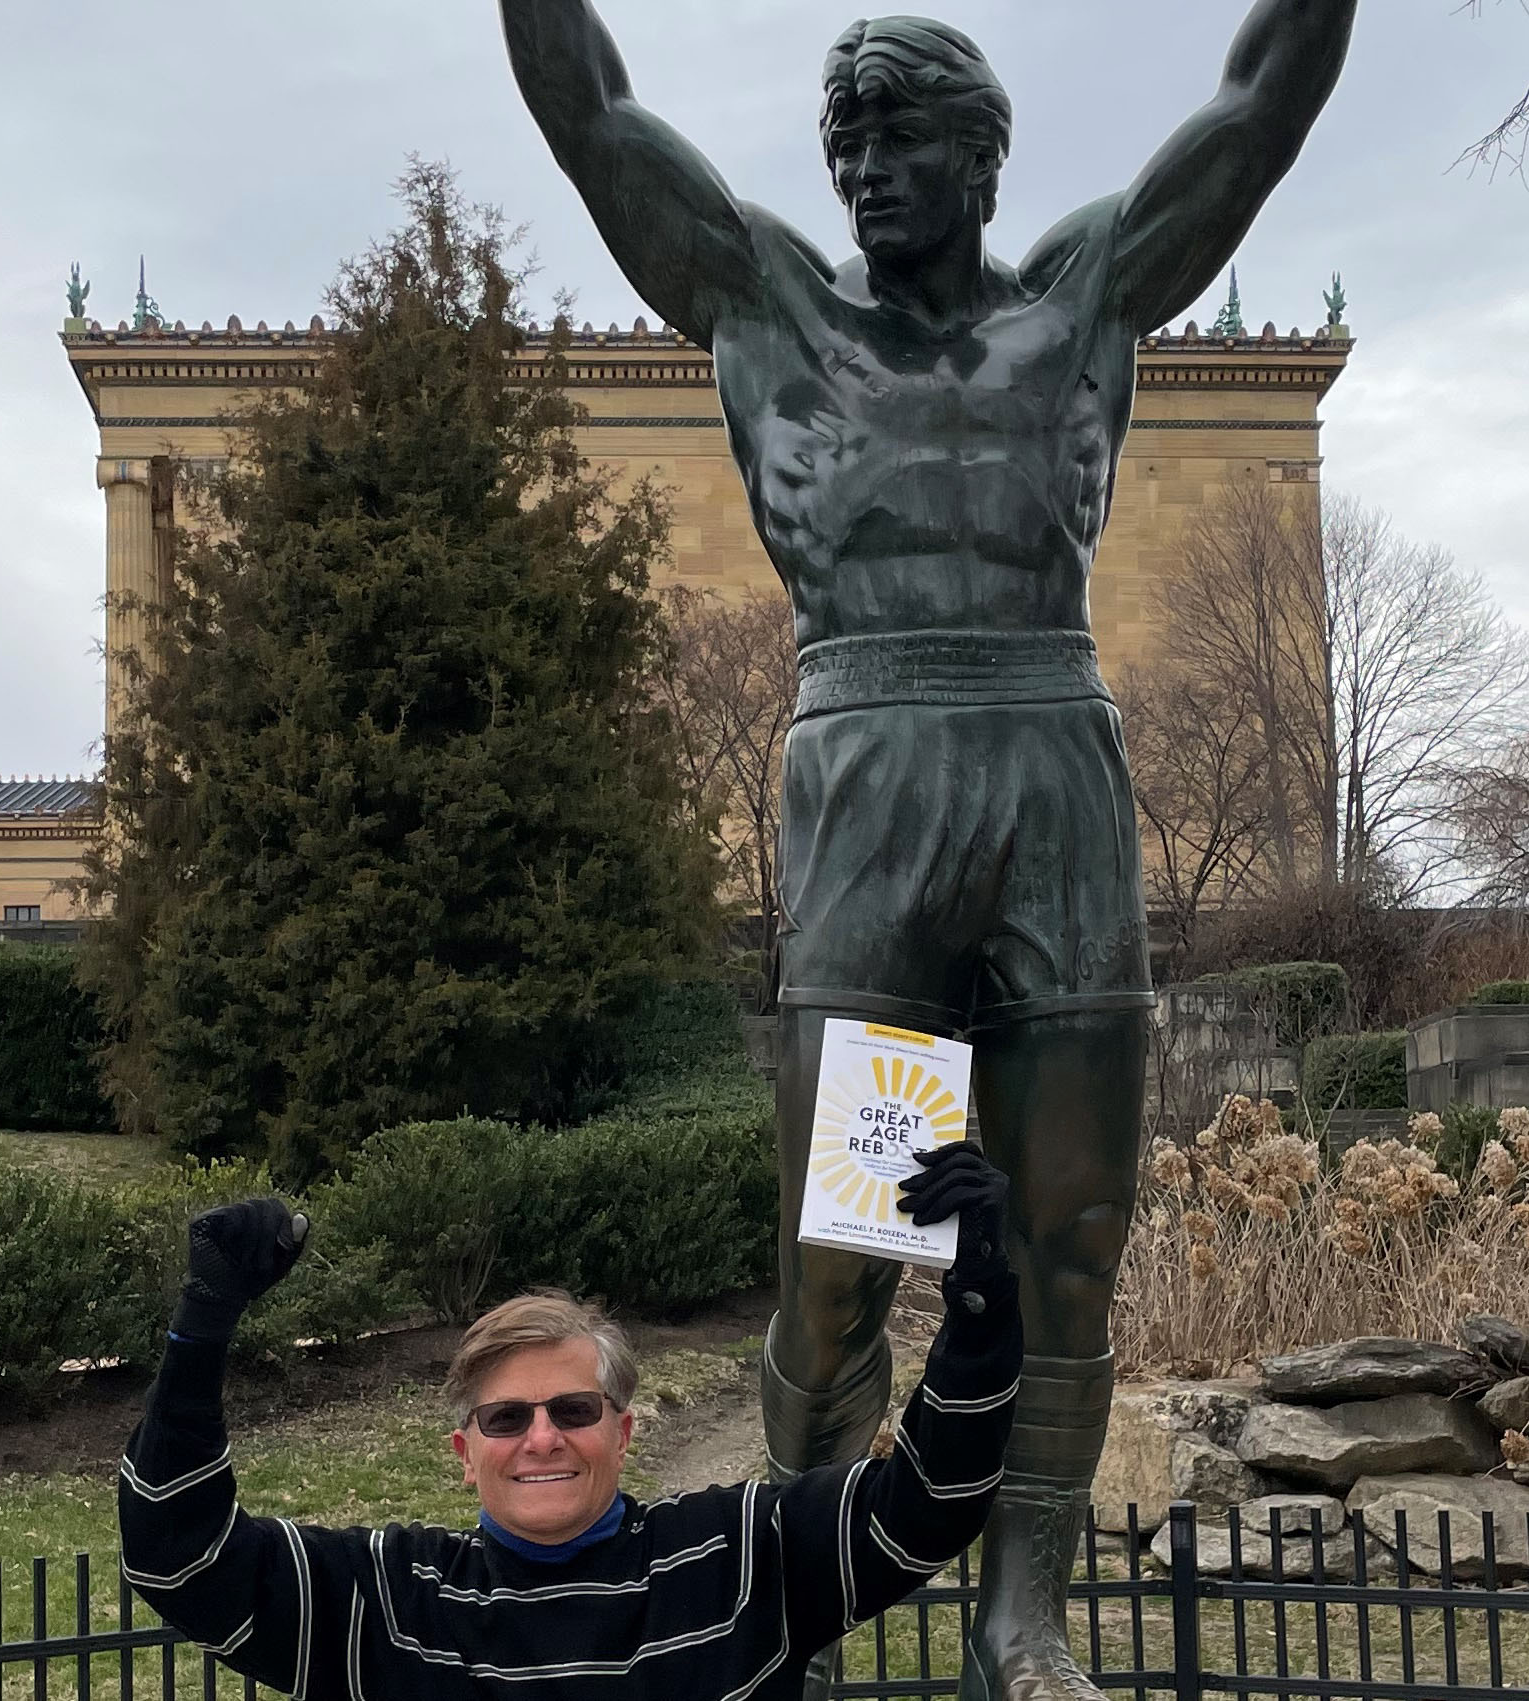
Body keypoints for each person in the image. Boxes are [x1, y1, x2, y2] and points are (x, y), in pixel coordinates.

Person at [499, 8, 1354, 1698]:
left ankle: (1019, 1616)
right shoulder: (768, 305)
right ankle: (801, 1609)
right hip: (872, 780)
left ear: (982, 155)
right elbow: (590, 112)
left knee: (1068, 1233)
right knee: (838, 1265)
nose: (867, 177)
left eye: (899, 144)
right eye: (843, 148)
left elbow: (1256, 105)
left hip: (1051, 768)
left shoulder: (1082, 301)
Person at [118, 1143, 1013, 1700]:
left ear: (622, 1432)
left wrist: (976, 1297)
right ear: (465, 1453)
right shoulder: (385, 1601)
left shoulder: (743, 1558)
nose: (541, 1436)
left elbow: (933, 1500)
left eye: (573, 1408)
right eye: (506, 1417)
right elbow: (178, 1556)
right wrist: (201, 1328)